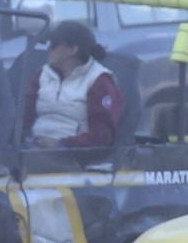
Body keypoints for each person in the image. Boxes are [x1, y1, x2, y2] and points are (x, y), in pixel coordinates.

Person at [22, 19, 124, 149]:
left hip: (74, 156)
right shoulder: (42, 75)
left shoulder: (100, 81)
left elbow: (101, 136)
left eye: (53, 44)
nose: (48, 49)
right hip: (32, 150)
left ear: (72, 50)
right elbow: (23, 118)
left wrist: (61, 144)